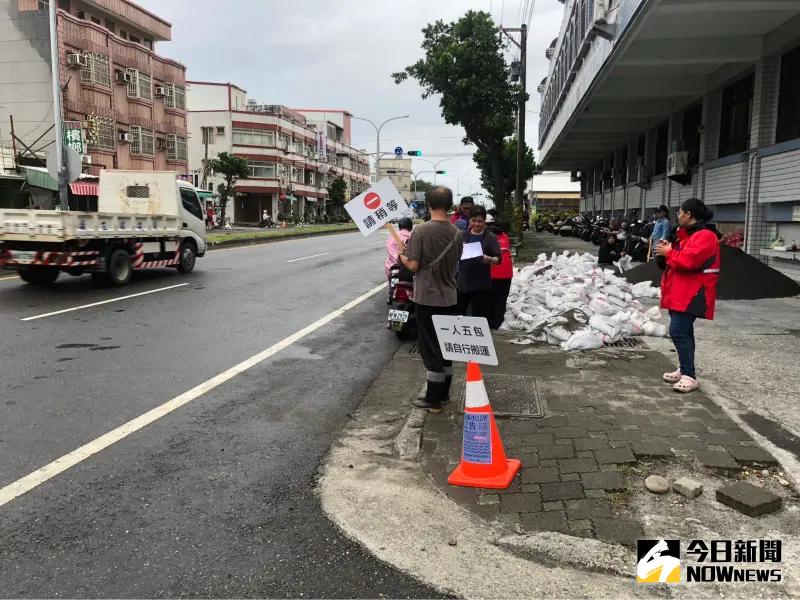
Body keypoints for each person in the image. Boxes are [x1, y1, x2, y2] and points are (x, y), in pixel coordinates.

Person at [400, 187, 463, 412]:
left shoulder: (420, 231)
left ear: (428, 204)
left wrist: (401, 256)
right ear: (450, 205)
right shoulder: (457, 232)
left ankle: (433, 400)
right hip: (449, 296)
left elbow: (413, 266)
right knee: (446, 346)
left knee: (430, 348)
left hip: (427, 297)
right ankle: (444, 394)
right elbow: (456, 263)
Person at [656, 198, 720, 394]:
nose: (678, 216)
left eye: (680, 212)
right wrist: (666, 251)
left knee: (678, 331)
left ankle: (689, 375)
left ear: (689, 214)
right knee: (684, 331)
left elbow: (688, 261)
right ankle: (685, 369)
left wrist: (669, 252)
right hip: (680, 291)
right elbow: (675, 259)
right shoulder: (685, 236)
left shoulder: (705, 236)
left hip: (693, 292)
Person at [457, 205, 501, 320]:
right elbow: (455, 255)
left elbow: (498, 259)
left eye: (480, 221)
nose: (477, 224)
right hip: (463, 283)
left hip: (481, 285)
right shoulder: (462, 235)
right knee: (460, 316)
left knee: (479, 317)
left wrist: (490, 259)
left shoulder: (490, 237)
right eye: (474, 220)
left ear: (484, 221)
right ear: (470, 220)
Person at [487, 216, 514, 330]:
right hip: (506, 273)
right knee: (501, 299)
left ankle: (488, 323)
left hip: (492, 272)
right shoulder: (505, 236)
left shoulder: (487, 237)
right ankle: (497, 322)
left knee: (488, 299)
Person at [384, 217, 413, 299]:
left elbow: (390, 250)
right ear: (411, 227)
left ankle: (391, 294)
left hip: (391, 265)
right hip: (407, 267)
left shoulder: (392, 236)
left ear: (399, 226)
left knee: (390, 280)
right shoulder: (413, 237)